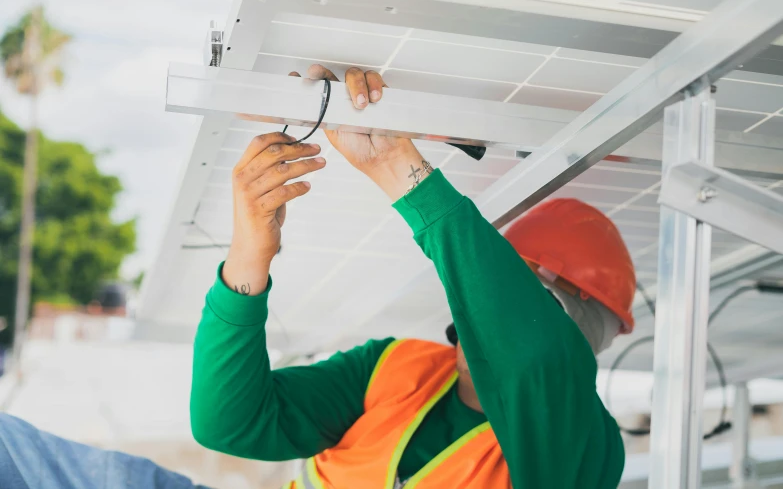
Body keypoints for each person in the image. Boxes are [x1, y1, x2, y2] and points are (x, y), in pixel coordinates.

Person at [0, 64, 635, 489]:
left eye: (525, 288)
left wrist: (399, 170)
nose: (488, 302)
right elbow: (231, 423)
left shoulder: (585, 450)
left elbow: (531, 357)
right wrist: (250, 255)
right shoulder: (402, 370)